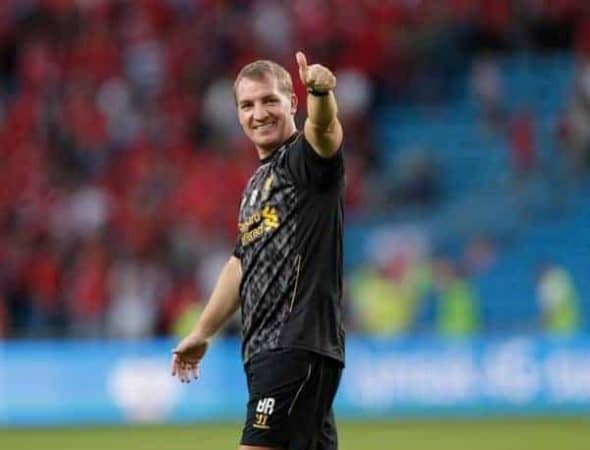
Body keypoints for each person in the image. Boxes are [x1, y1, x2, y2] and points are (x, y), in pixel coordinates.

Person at [171, 51, 345, 450]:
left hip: (294, 345)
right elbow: (240, 264)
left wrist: (320, 91)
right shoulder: (256, 186)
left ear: (292, 104)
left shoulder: (304, 161)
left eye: (270, 100)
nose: (259, 113)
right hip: (270, 351)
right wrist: (202, 332)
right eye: (247, 105)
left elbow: (325, 130)